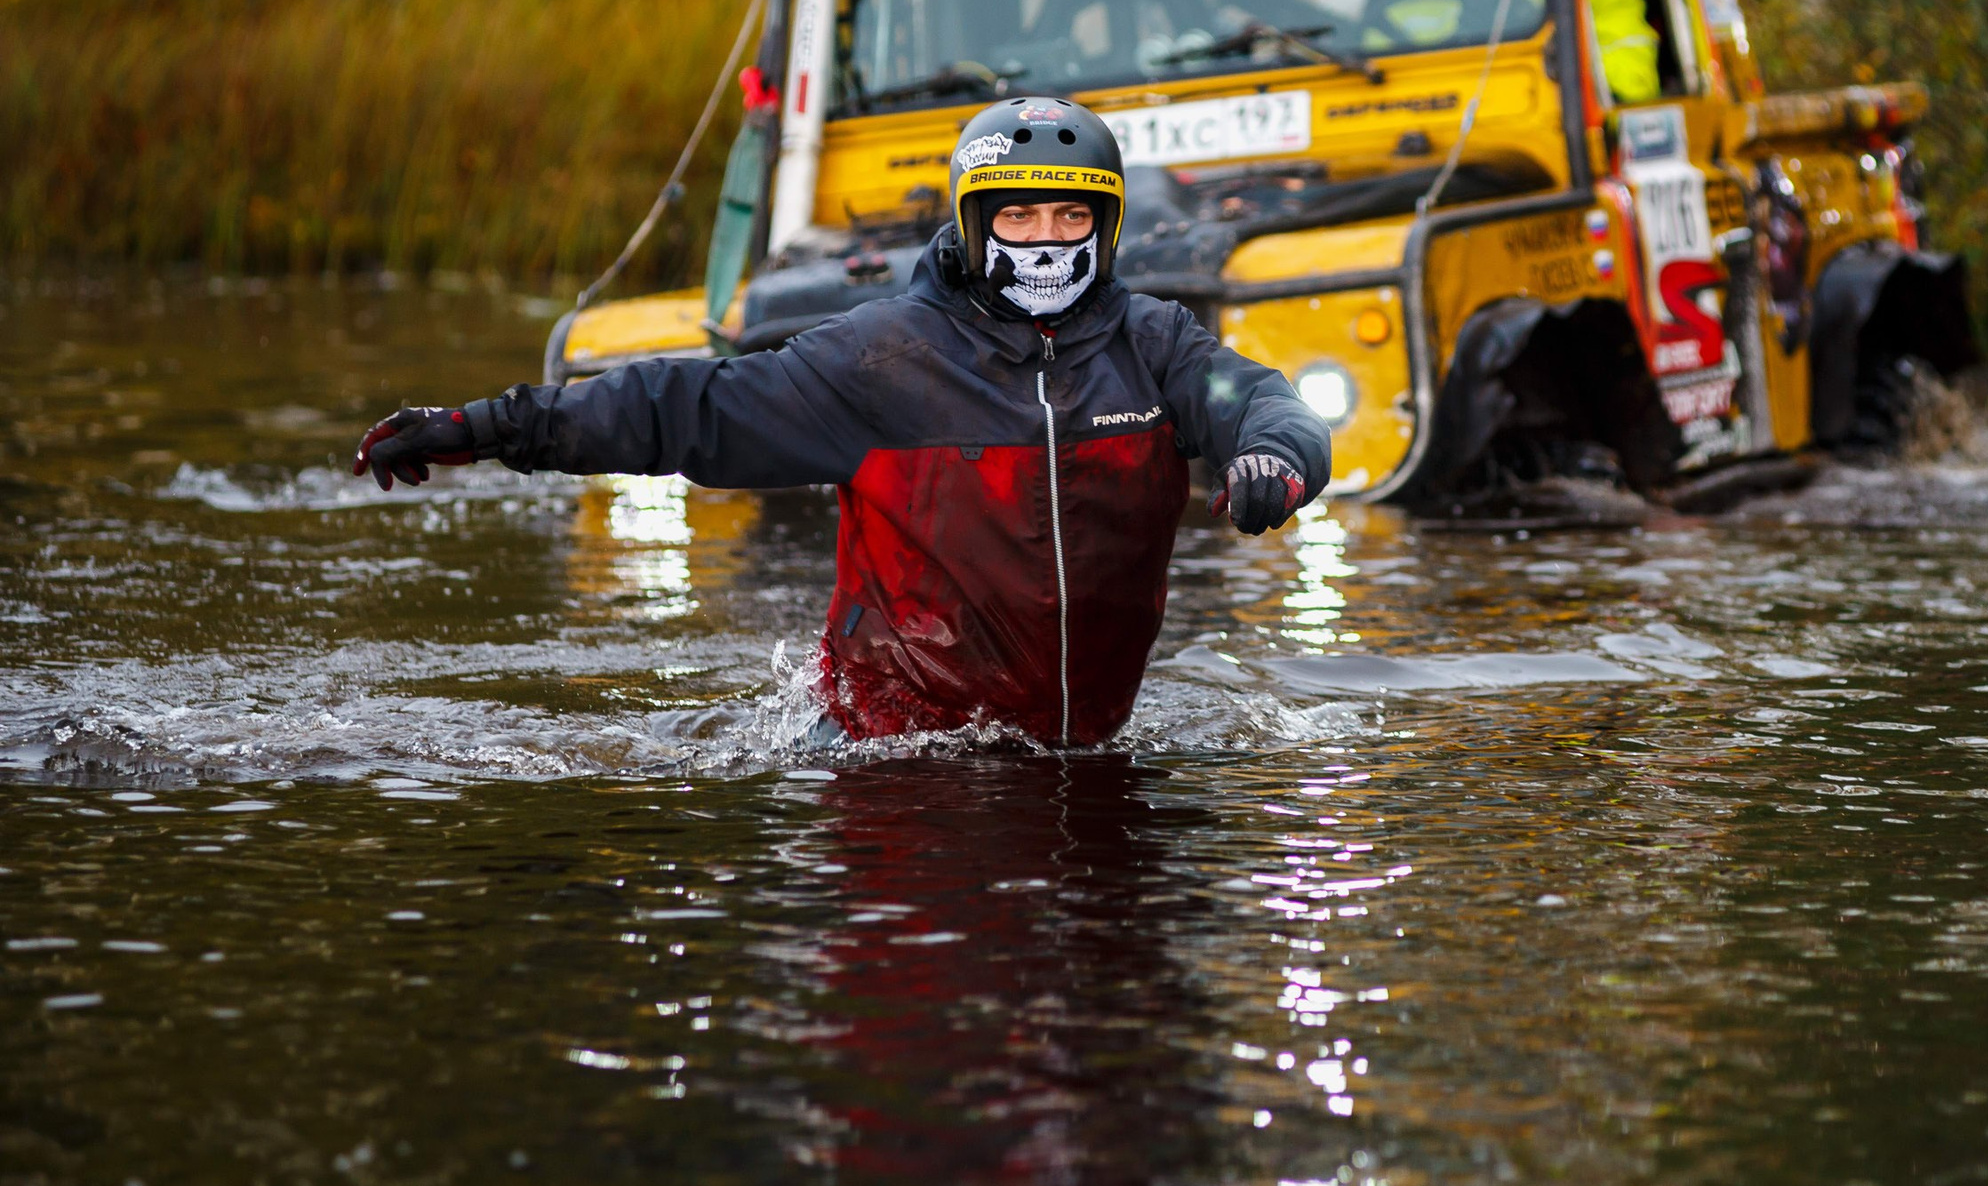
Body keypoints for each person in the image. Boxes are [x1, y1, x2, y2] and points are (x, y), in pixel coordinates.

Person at [351, 98, 1331, 748]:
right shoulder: (882, 361)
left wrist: (1272, 460)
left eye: (1069, 219)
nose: (1045, 241)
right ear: (975, 225)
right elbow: (684, 409)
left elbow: (1269, 404)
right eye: (1018, 218)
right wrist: (485, 427)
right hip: (897, 760)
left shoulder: (1155, 346)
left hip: (1084, 748)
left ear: (1104, 228)